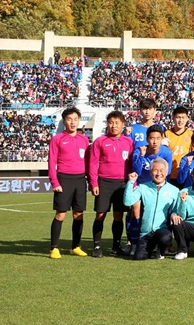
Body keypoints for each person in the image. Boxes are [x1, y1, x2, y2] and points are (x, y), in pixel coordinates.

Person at [89, 110, 134, 258]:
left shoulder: (129, 142)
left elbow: (132, 164)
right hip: (104, 182)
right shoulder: (100, 141)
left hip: (122, 183)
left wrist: (131, 183)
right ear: (107, 124)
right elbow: (93, 163)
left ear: (122, 124)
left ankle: (116, 246)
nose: (113, 125)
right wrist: (94, 183)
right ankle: (96, 246)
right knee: (100, 214)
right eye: (111, 122)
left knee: (118, 215)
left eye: (117, 123)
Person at [48, 107, 91, 259]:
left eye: (75, 119)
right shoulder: (57, 139)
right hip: (63, 179)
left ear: (79, 121)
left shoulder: (84, 140)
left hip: (80, 180)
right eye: (69, 119)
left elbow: (88, 162)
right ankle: (54, 248)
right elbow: (51, 162)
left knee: (78, 214)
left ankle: (76, 246)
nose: (72, 122)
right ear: (64, 121)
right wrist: (55, 182)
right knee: (61, 214)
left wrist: (90, 181)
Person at [124, 158, 179, 260]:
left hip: (162, 230)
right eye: (155, 170)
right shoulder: (143, 187)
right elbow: (128, 202)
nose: (159, 173)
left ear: (167, 172)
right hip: (145, 233)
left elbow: (176, 209)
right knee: (139, 258)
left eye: (162, 170)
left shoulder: (174, 190)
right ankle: (150, 249)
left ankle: (161, 251)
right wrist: (130, 183)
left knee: (165, 238)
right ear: (150, 172)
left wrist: (174, 214)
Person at [164, 106, 194, 188]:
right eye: (178, 117)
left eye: (183, 117)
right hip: (170, 173)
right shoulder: (166, 134)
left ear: (187, 118)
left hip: (185, 173)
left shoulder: (191, 134)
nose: (180, 120)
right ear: (173, 118)